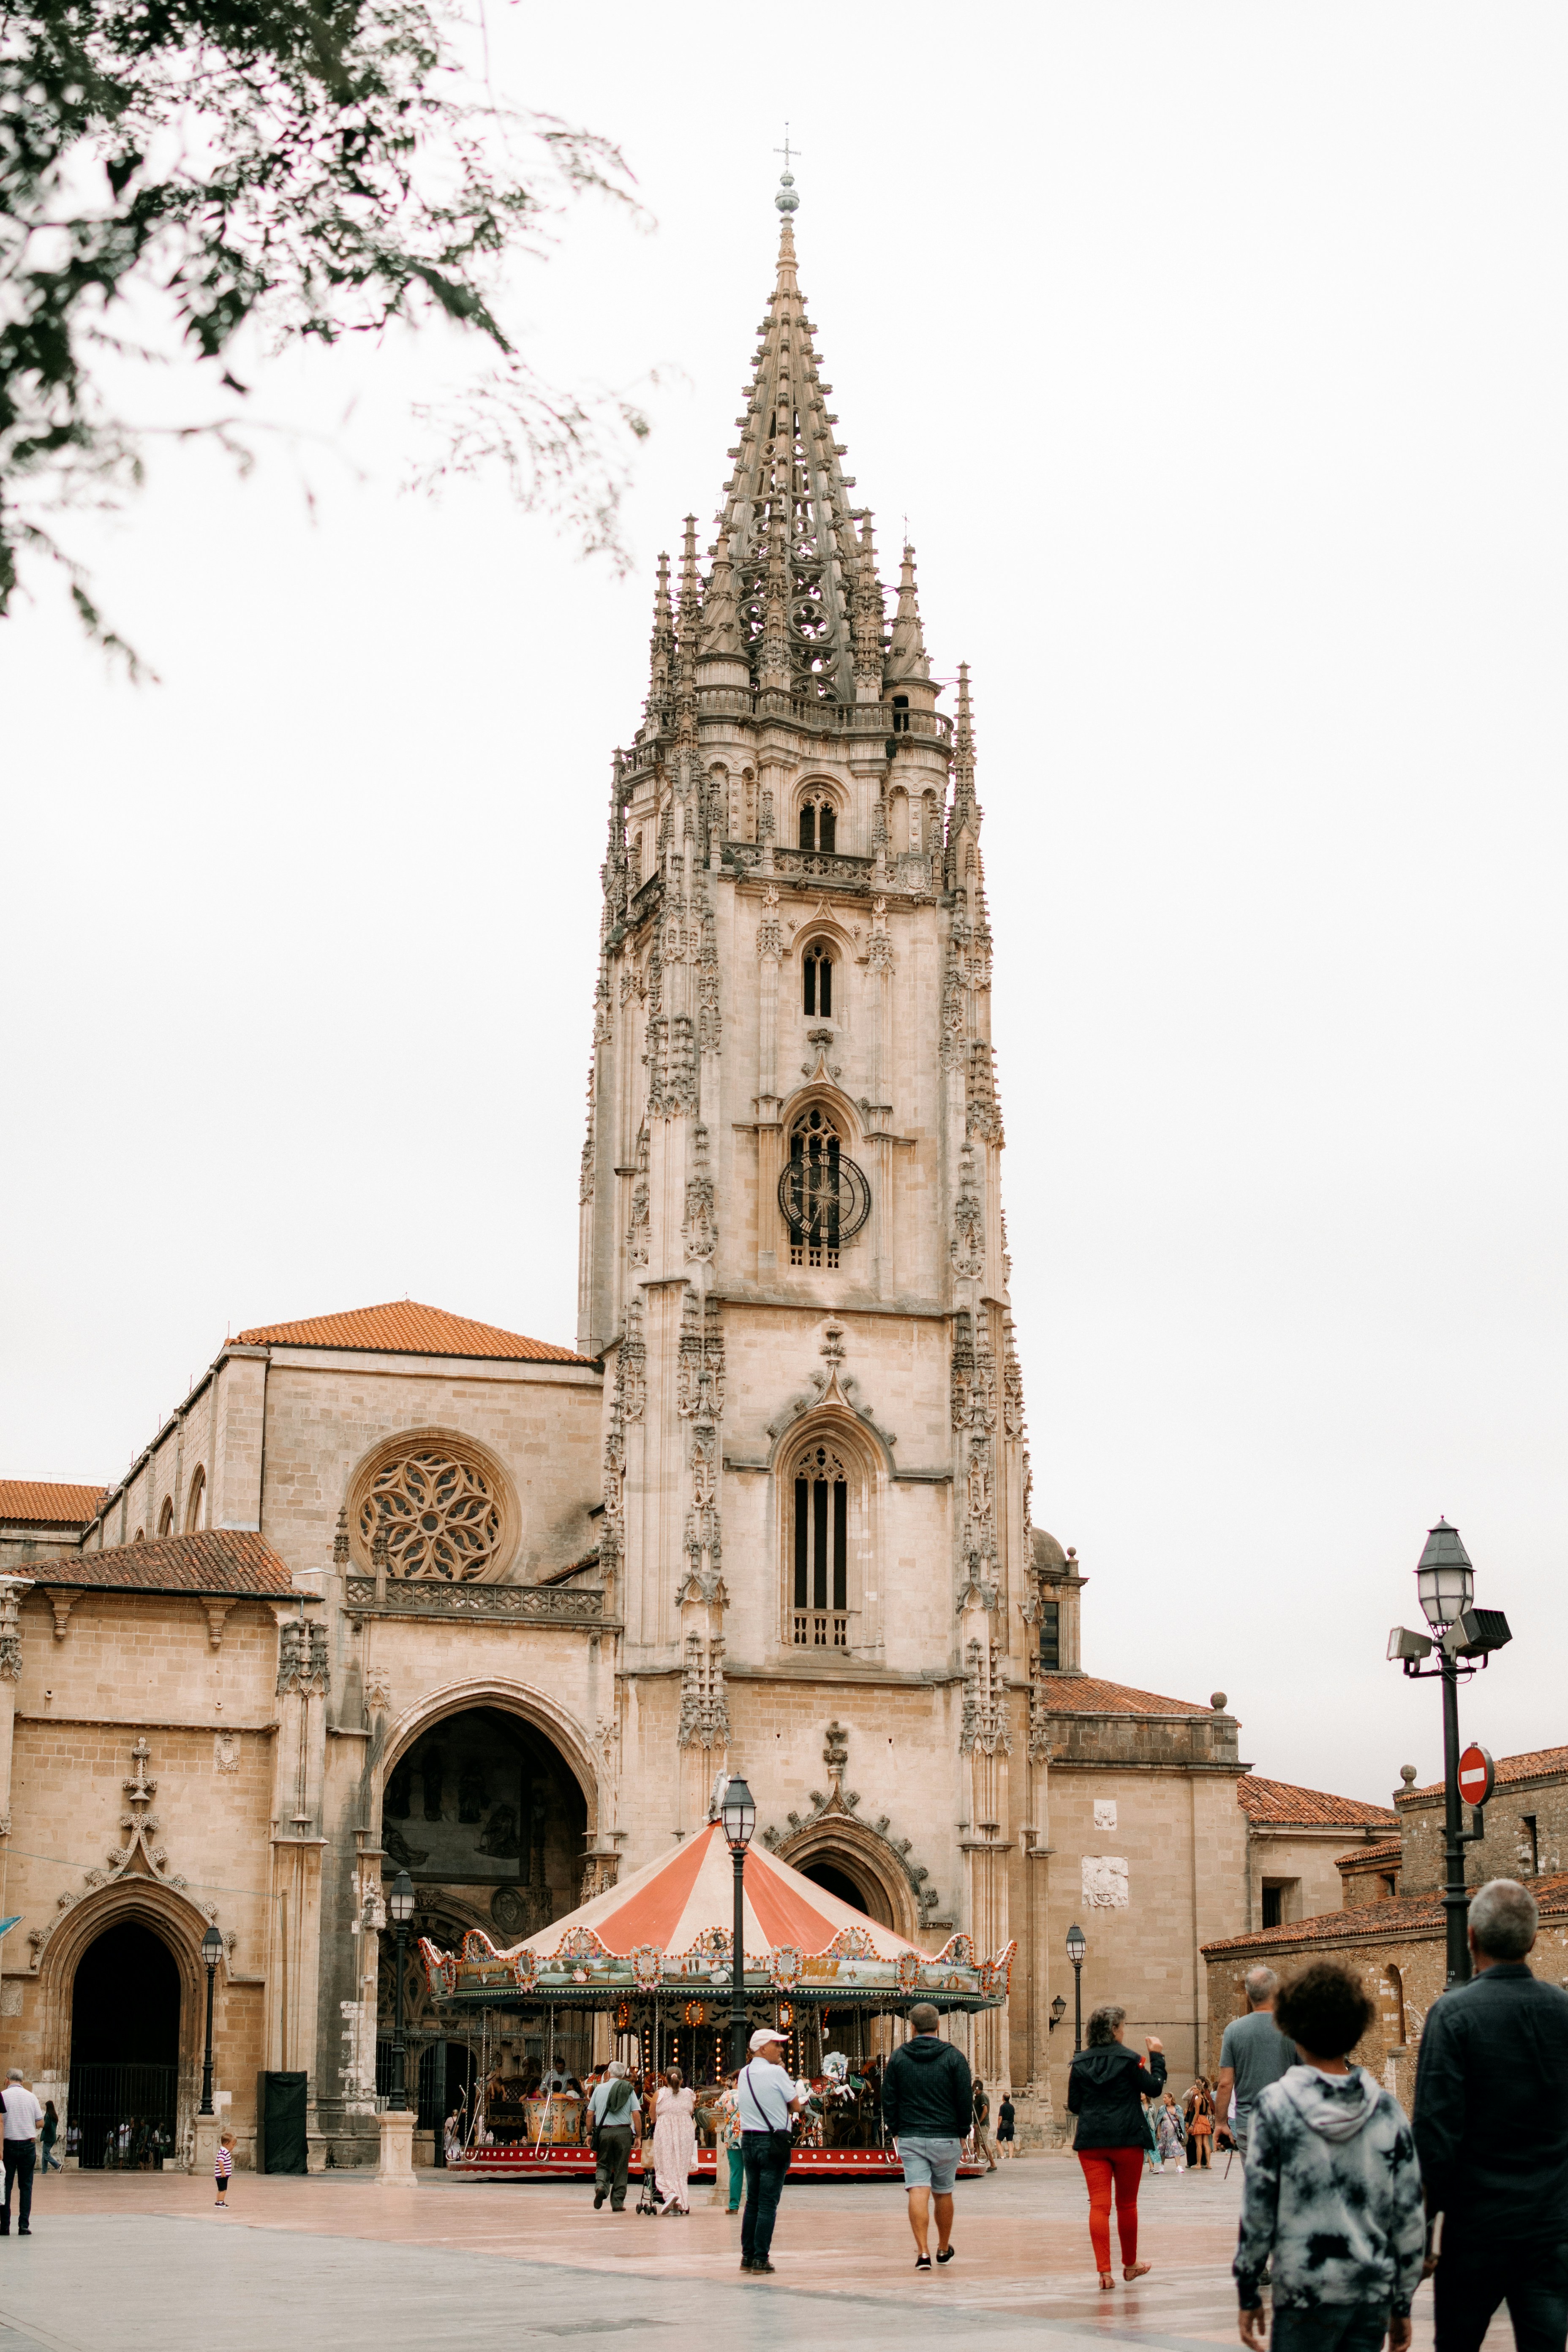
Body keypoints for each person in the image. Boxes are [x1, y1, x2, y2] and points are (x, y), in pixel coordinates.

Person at [1236, 1959, 1424, 2352]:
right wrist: (1402, 2300)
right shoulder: (1386, 2111)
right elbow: (1408, 2212)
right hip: (1369, 2290)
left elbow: (1259, 2205)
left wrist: (1249, 2287)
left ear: (1292, 2029)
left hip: (1306, 2288)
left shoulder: (1276, 2107)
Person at [1413, 1878, 1568, 2352]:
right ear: (1533, 1940)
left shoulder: (1453, 2016)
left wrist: (1422, 2224)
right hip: (1550, 2226)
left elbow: (1435, 2133)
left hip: (1475, 2226)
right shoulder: (1563, 2012)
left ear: (1471, 1937)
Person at [1067, 2002, 1166, 2289]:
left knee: (1099, 2206)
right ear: (1113, 2030)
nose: (1124, 2031)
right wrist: (1157, 2057)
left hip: (1092, 2142)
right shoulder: (1130, 2060)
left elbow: (1075, 2105)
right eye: (1122, 2027)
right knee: (1127, 2205)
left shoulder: (1080, 2062)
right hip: (1127, 2139)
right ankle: (1130, 2265)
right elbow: (1155, 2088)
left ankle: (1104, 2273)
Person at [881, 2002, 975, 2272]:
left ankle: (922, 2253)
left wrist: (895, 2131)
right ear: (938, 2026)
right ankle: (943, 2248)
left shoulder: (899, 2057)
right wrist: (962, 2131)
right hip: (945, 2136)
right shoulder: (954, 2057)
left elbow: (889, 2098)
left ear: (912, 2027)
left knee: (917, 2189)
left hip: (911, 2135)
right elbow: (964, 2098)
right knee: (944, 2193)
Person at [738, 2026, 805, 2276]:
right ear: (763, 2048)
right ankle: (761, 2259)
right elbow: (796, 2106)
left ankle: (747, 2255)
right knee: (768, 2203)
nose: (782, 2049)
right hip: (773, 2143)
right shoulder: (777, 2073)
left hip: (749, 2141)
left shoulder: (743, 2074)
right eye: (777, 2044)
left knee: (753, 2200)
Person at [1217, 1966, 1298, 2162]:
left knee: (1258, 2185)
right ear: (1276, 1992)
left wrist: (1221, 2122)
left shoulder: (1233, 2031)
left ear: (1247, 1995)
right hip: (1286, 2119)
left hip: (1249, 2122)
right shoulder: (1293, 2028)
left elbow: (1225, 2083)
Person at [588, 2058, 640, 2213]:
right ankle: (617, 2202)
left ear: (609, 2073)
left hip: (604, 2131)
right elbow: (636, 2114)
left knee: (603, 2163)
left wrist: (590, 2133)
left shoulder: (599, 2089)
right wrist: (639, 2136)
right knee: (621, 2167)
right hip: (624, 2132)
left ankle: (601, 2187)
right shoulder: (628, 2089)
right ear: (624, 2075)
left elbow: (590, 2114)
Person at [0, 2070, 42, 2235]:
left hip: (8, 2147)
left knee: (6, 2186)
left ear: (7, 2080)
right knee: (26, 2186)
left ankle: (4, 2227)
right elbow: (40, 2123)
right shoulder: (31, 2097)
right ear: (22, 2082)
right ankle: (24, 2225)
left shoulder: (2, 2096)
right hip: (28, 2145)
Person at [651, 2066, 696, 2216]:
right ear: (682, 2080)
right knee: (681, 2170)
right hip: (685, 2131)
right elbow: (691, 2110)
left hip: (665, 2130)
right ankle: (681, 2203)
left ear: (665, 2079)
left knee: (664, 2164)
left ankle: (670, 2194)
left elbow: (652, 2116)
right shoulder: (689, 2094)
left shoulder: (660, 2094)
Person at [1185, 2078, 1214, 2170]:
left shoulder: (1198, 2100)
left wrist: (1192, 2125)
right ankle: (1208, 2164)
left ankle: (1198, 2164)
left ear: (1199, 2090)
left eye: (1195, 2089)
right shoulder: (1206, 2100)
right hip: (1205, 2121)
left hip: (1199, 2122)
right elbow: (1209, 2113)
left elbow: (1197, 2113)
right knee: (1206, 2144)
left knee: (1199, 2145)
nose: (1193, 2090)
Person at [971, 2078, 998, 2172]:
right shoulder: (977, 2098)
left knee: (983, 2144)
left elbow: (985, 2110)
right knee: (976, 2144)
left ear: (978, 2088)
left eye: (974, 2088)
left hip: (982, 2125)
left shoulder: (983, 2097)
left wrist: (979, 2122)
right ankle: (975, 2164)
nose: (973, 2089)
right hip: (978, 2125)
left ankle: (993, 2164)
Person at [1156, 2093, 1186, 2172]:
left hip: (1174, 2133)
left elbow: (1181, 2119)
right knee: (1163, 2148)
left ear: (1171, 2099)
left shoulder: (1178, 2108)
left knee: (1175, 2146)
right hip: (1164, 2133)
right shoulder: (1162, 2109)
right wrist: (1158, 2132)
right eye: (1163, 2098)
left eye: (1165, 2098)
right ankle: (1162, 2165)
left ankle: (1178, 2166)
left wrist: (1175, 2114)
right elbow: (1159, 2121)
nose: (1164, 2099)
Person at [214, 2128, 235, 2208]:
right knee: (223, 2189)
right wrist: (223, 2172)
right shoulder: (224, 2152)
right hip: (222, 2175)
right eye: (232, 2145)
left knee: (220, 2189)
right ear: (226, 2144)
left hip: (220, 2175)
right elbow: (220, 2162)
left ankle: (218, 2202)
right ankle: (221, 2202)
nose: (233, 2147)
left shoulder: (223, 2152)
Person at [38, 2103, 59, 2176]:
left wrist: (41, 2124)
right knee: (45, 2154)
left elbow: (46, 2125)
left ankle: (58, 2166)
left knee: (46, 2154)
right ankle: (44, 2171)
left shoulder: (48, 2115)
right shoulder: (55, 2116)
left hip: (48, 2137)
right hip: (53, 2137)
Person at [996, 2091, 1016, 2159]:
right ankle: (1011, 2157)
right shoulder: (1012, 2107)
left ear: (1003, 2098)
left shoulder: (1003, 2106)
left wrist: (999, 2126)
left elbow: (1000, 2118)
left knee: (998, 2141)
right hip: (1011, 2126)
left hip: (1004, 2126)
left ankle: (1003, 2156)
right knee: (1010, 2142)